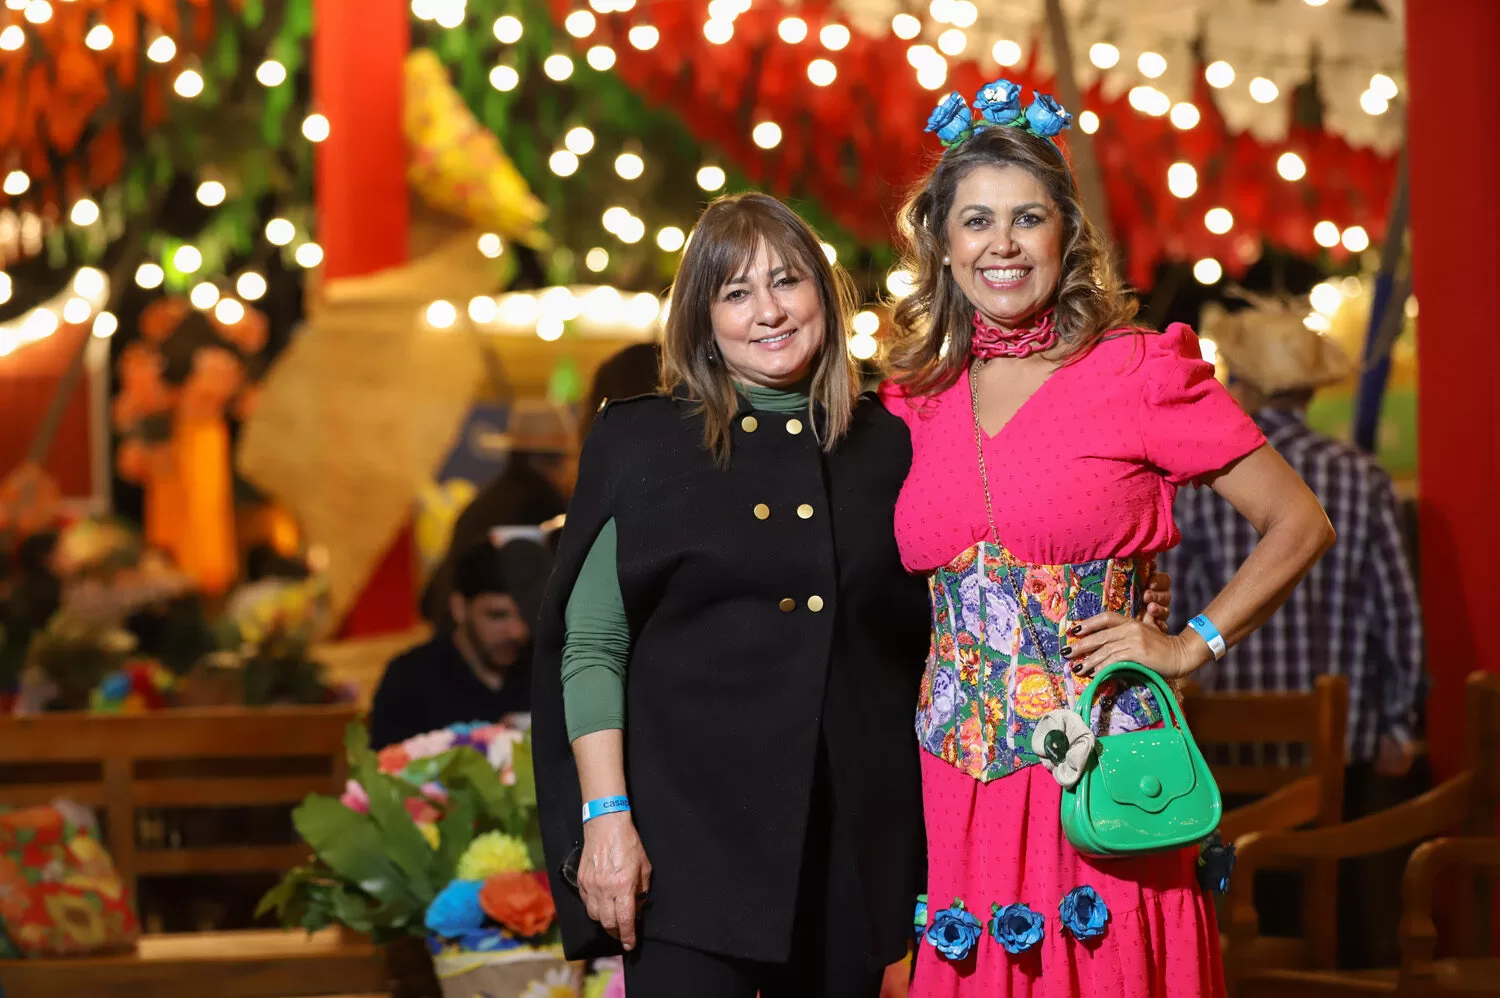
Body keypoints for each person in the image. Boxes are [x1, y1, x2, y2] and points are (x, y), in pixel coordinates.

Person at [531, 192, 1174, 997]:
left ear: (824, 296)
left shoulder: (890, 440)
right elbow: (593, 646)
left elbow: (975, 574)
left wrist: (1120, 596)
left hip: (850, 839)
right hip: (683, 837)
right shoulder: (642, 441)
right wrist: (605, 819)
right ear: (702, 319)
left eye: (786, 282)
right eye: (736, 293)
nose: (768, 311)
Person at [881, 82, 1334, 997]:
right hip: (955, 779)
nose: (1003, 244)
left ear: (1065, 234)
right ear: (941, 242)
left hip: (1103, 768)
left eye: (1028, 218)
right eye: (976, 221)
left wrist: (1189, 643)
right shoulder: (910, 398)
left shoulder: (1136, 372)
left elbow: (1299, 523)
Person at [1159, 294, 1425, 968]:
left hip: (1224, 748)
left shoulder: (1198, 482)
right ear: (1310, 390)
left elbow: (1172, 605)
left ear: (1242, 386)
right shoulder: (1362, 476)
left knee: (1235, 903)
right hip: (1340, 750)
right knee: (1346, 911)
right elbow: (1397, 614)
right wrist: (1400, 724)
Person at [370, 539, 543, 749]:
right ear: (459, 608)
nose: (517, 631)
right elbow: (386, 764)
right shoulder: (409, 679)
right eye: (497, 616)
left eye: (526, 615)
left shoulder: (547, 671)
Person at [419, 405, 572, 629]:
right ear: (551, 463)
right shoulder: (545, 508)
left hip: (457, 631)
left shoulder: (485, 502)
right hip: (493, 640)